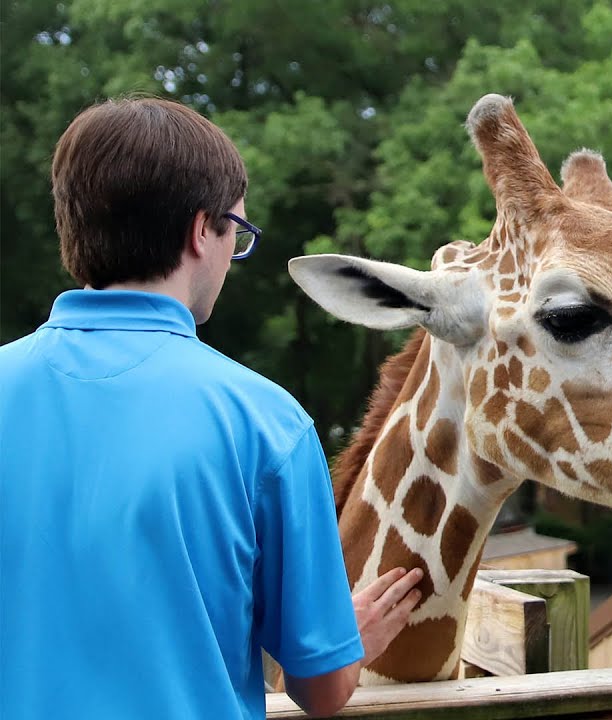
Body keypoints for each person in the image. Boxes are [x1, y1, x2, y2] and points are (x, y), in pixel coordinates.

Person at [0, 97, 423, 719]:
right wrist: (348, 642)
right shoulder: (264, 423)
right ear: (202, 230)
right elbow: (322, 689)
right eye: (238, 233)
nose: (233, 256)